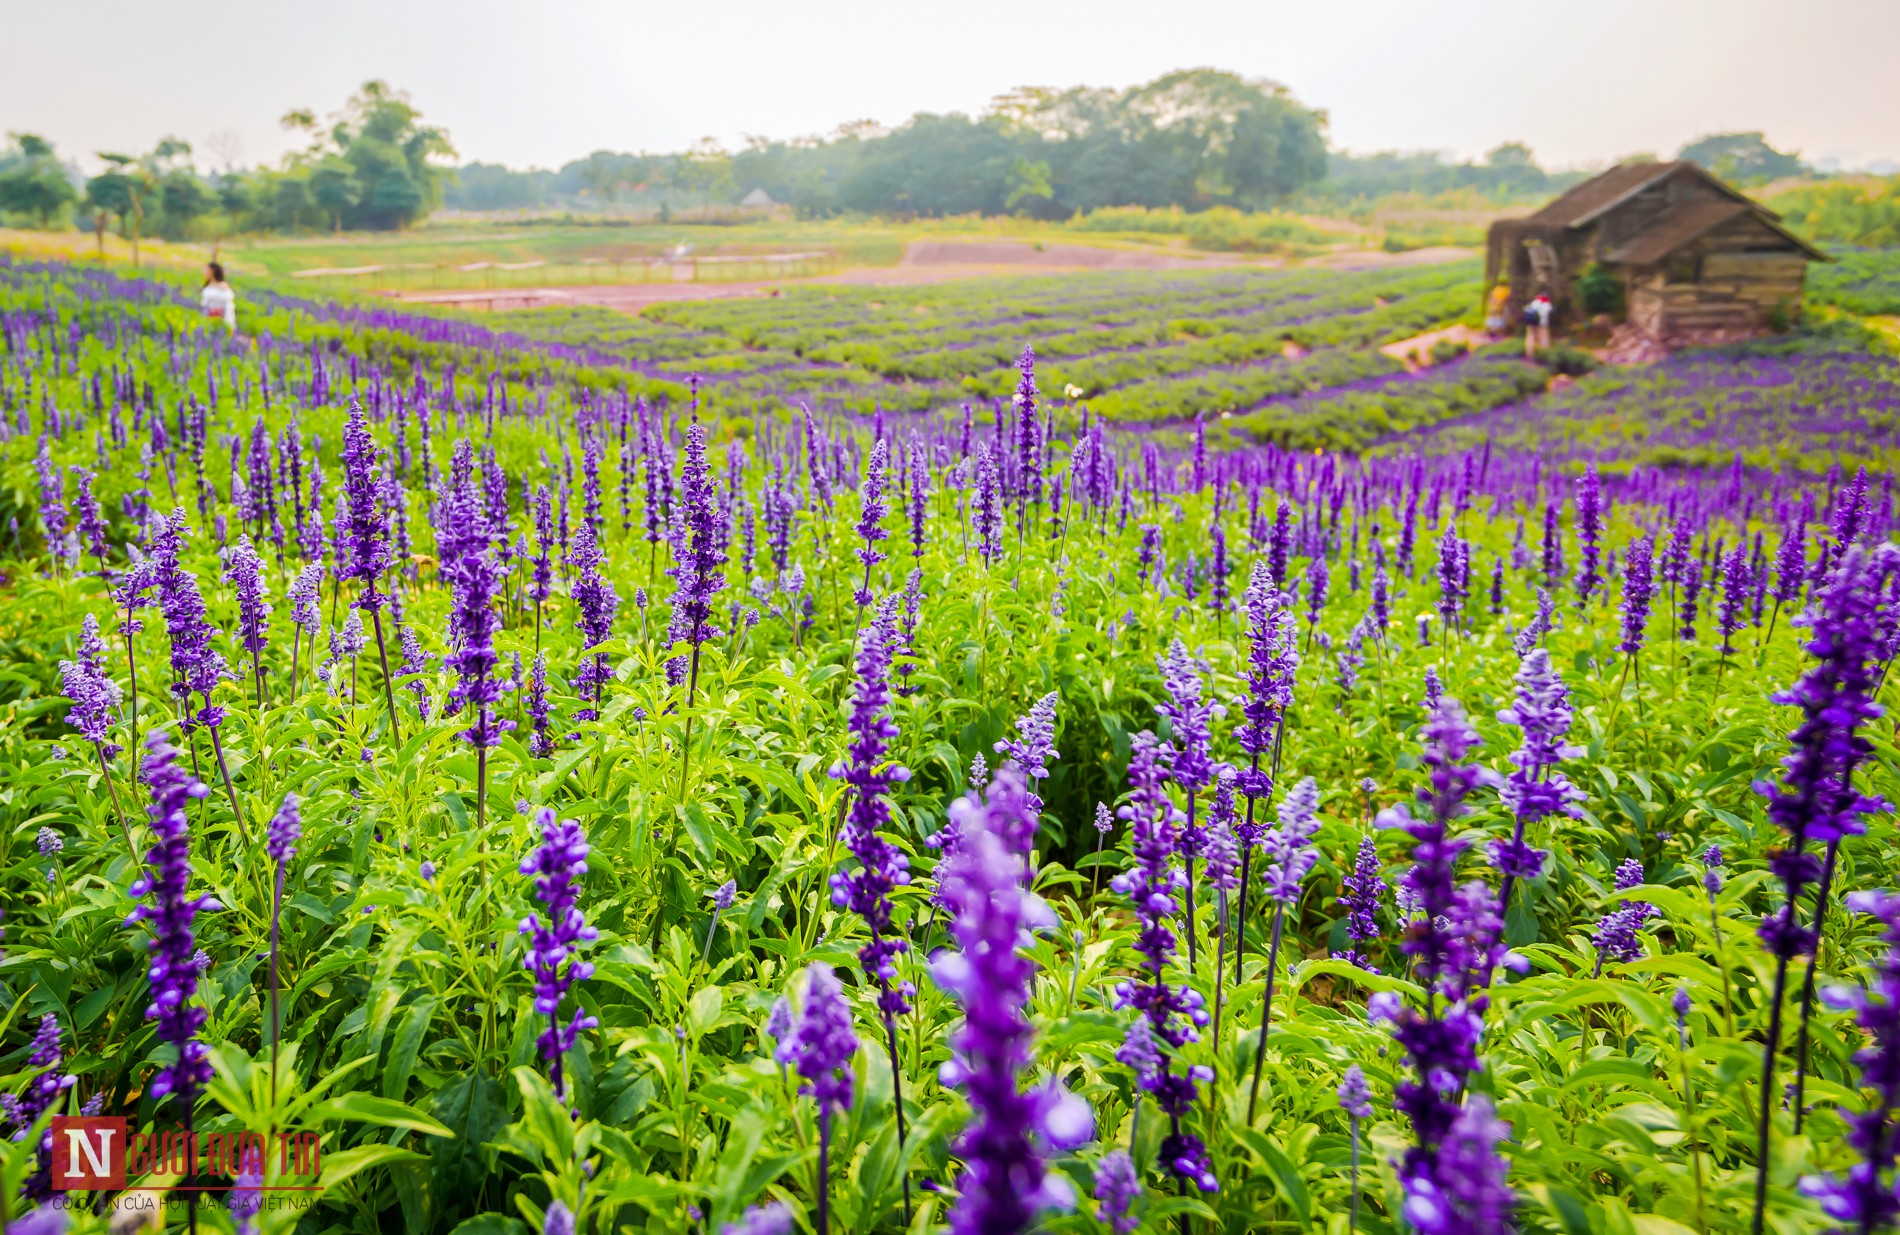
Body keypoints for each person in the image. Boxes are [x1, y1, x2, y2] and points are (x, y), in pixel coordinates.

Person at [201, 261, 237, 335]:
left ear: (212, 271)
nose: (204, 272)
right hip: (208, 317)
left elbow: (228, 303)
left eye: (206, 269)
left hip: (220, 318)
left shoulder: (223, 286)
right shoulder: (208, 284)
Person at [1523, 291, 1553, 357]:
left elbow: (1527, 309)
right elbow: (1550, 311)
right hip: (1543, 323)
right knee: (1544, 337)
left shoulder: (1535, 302)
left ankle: (1529, 353)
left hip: (1532, 322)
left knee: (1530, 335)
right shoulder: (1547, 303)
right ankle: (1544, 354)